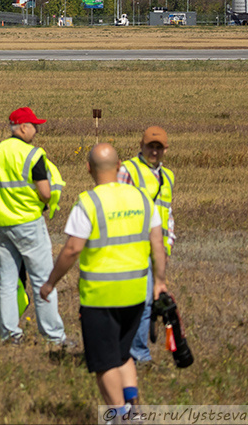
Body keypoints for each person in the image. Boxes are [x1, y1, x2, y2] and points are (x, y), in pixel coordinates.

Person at [41, 143, 167, 411]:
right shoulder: (143, 198)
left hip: (100, 297)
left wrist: (51, 281)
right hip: (135, 292)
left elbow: (73, 248)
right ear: (120, 165)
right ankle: (132, 405)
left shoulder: (88, 202)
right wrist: (159, 282)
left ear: (88, 168)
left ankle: (119, 413)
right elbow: (157, 242)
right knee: (123, 354)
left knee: (103, 362)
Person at [0, 106, 68, 347]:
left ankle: (9, 334)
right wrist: (46, 201)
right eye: (34, 126)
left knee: (8, 281)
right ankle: (54, 337)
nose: (36, 131)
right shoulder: (33, 154)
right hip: (28, 222)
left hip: (1, 223)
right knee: (43, 280)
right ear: (22, 127)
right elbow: (44, 191)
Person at [118, 126, 175, 364]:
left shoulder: (168, 176)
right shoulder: (128, 170)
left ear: (165, 149)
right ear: (140, 146)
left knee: (148, 303)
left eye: (158, 147)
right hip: (134, 246)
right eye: (150, 146)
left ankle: (133, 352)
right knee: (139, 302)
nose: (154, 151)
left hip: (157, 249)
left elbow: (168, 212)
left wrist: (168, 243)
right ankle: (138, 355)